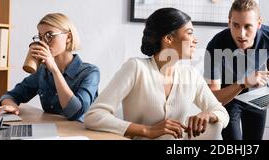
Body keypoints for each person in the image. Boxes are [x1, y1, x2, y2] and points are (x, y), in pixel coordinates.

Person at [84, 8, 229, 140]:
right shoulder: (136, 68)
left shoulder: (191, 76)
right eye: (189, 33)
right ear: (168, 39)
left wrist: (210, 114)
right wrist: (148, 130)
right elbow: (94, 115)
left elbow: (222, 112)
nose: (195, 40)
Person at [0, 13, 100, 122]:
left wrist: (55, 70)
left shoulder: (90, 73)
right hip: (52, 130)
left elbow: (75, 112)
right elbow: (10, 95)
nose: (43, 42)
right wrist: (11, 106)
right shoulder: (43, 71)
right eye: (41, 37)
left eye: (49, 35)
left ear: (68, 37)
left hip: (79, 134)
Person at [204, 0, 269, 140]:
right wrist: (244, 82)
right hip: (229, 97)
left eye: (248, 26)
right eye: (236, 25)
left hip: (257, 94)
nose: (241, 34)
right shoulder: (215, 46)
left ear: (259, 23)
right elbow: (213, 99)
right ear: (229, 22)